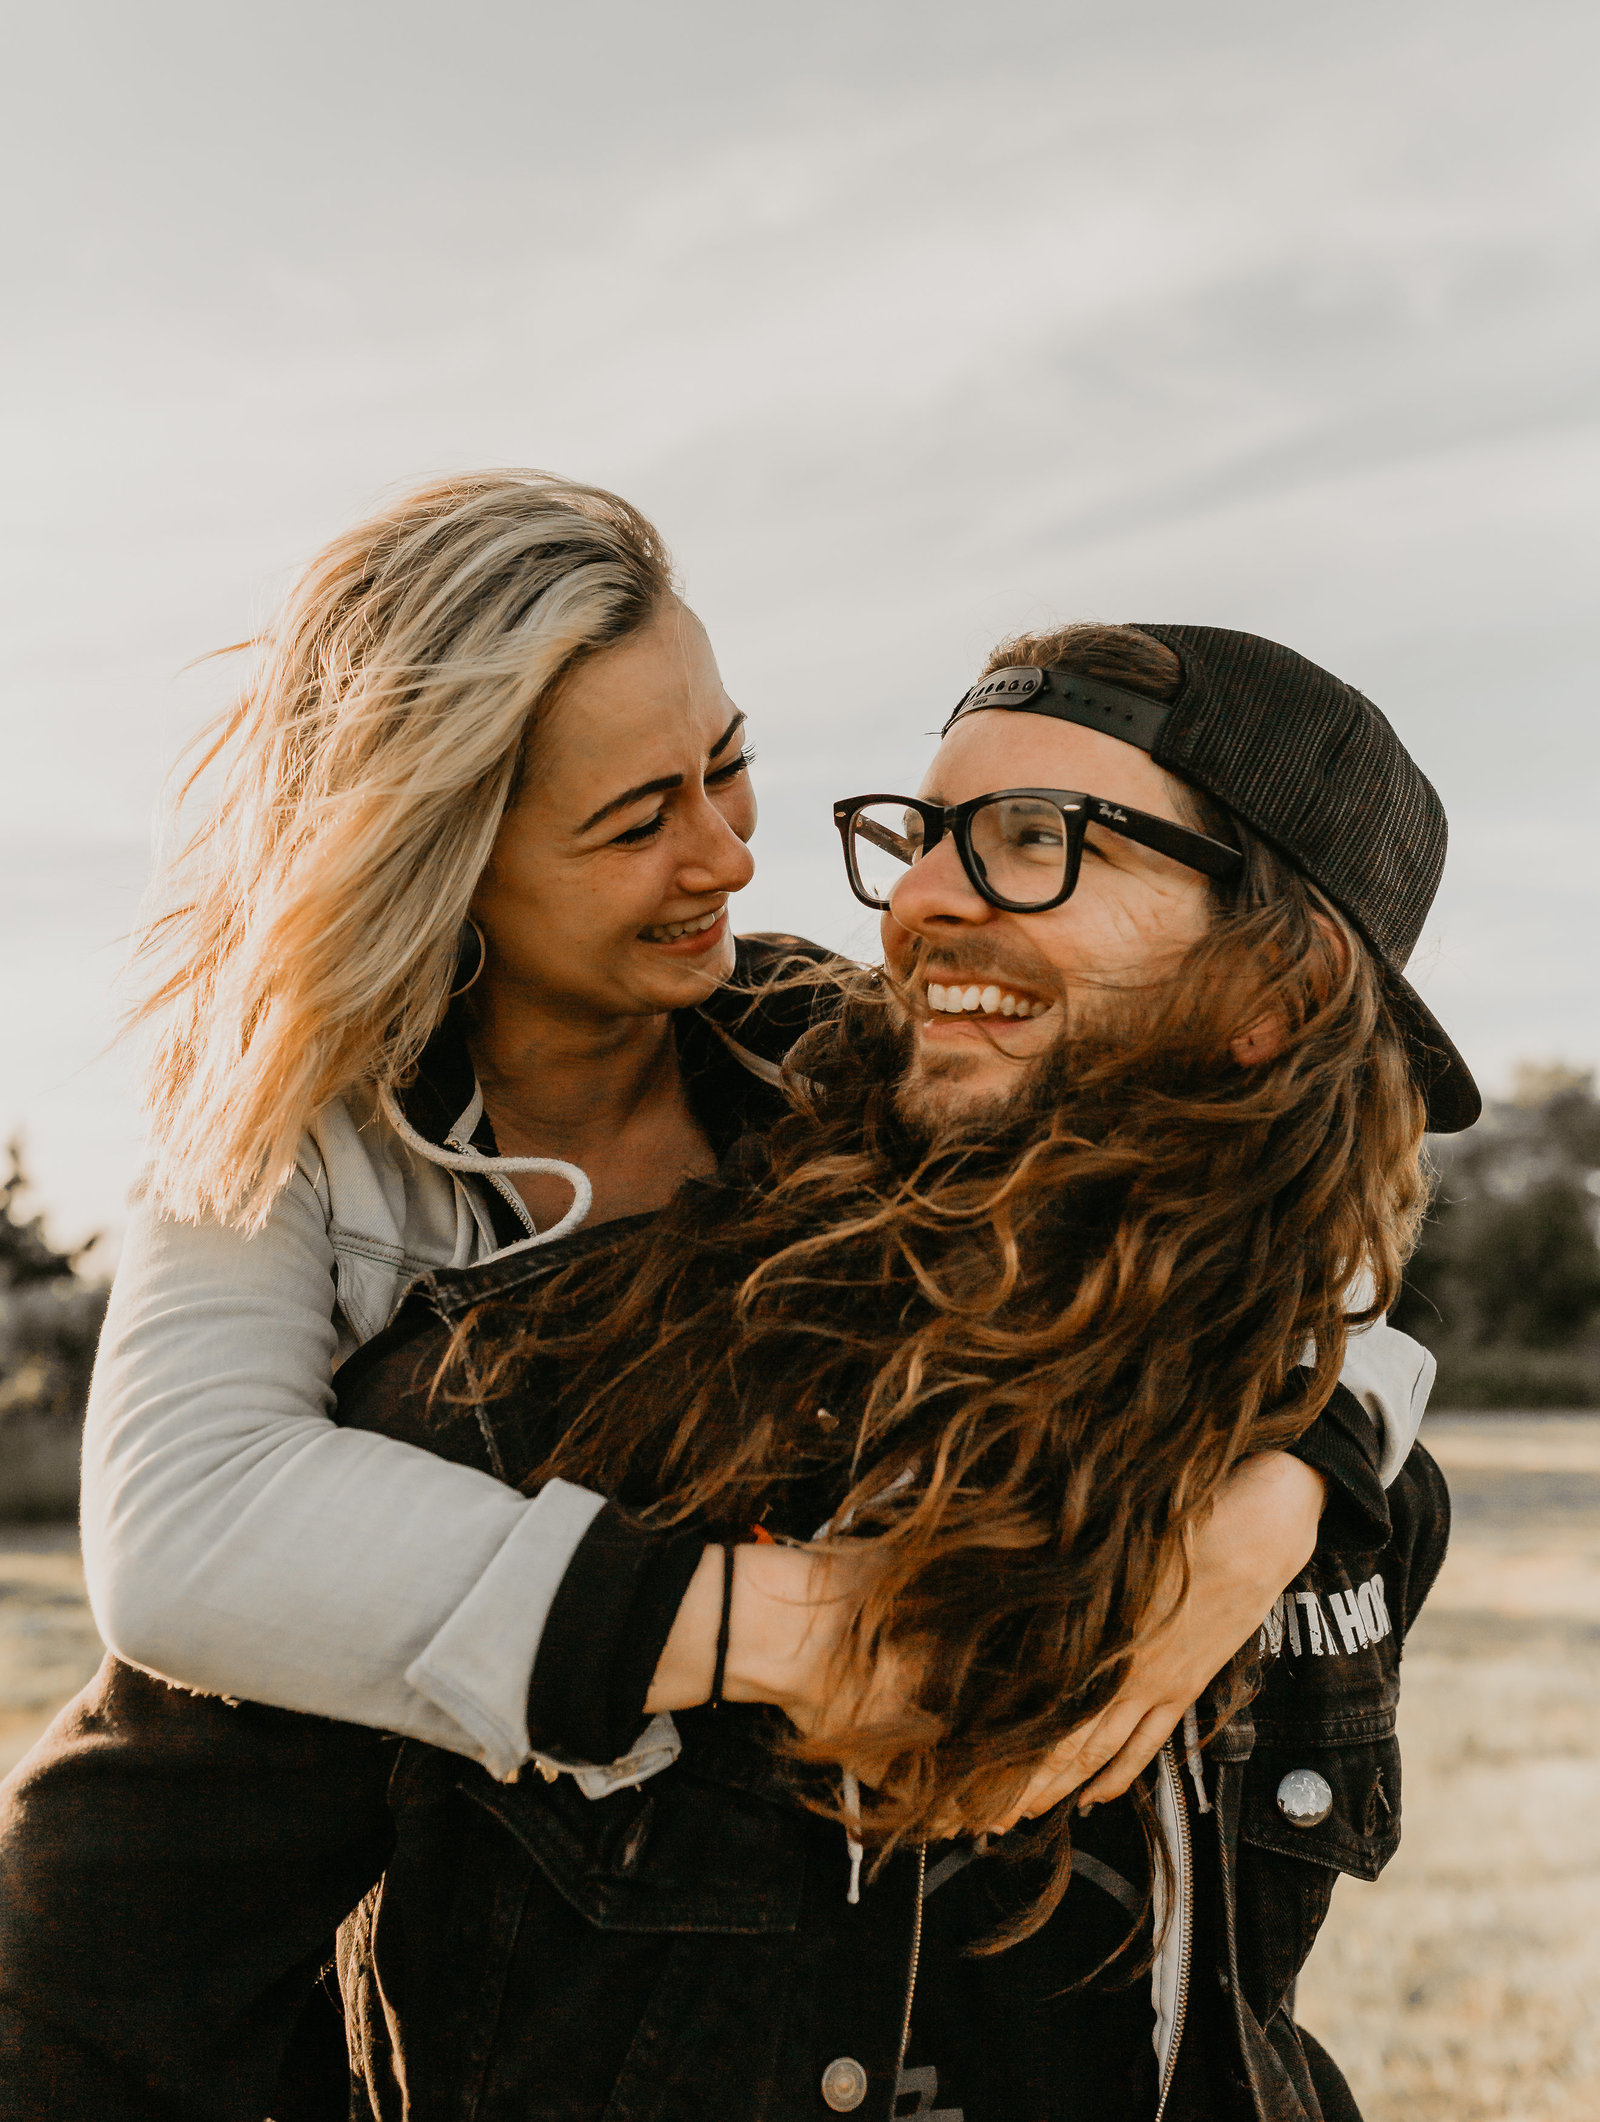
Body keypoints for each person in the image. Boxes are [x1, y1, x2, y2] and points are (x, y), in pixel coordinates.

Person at [0, 621, 1464, 2120]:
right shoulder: (567, 1387)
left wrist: (1298, 1465)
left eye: (1037, 839)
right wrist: (787, 1629)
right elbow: (90, 1949)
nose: (921, 901)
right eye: (934, 832)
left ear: (1274, 998)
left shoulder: (1348, 1500)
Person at [78, 473, 1426, 1804]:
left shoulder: (832, 1054)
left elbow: (1227, 1188)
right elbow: (182, 1532)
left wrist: (1299, 1472)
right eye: (636, 820)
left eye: (729, 767)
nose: (726, 854)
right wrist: (792, 1628)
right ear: (440, 861)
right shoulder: (276, 1129)